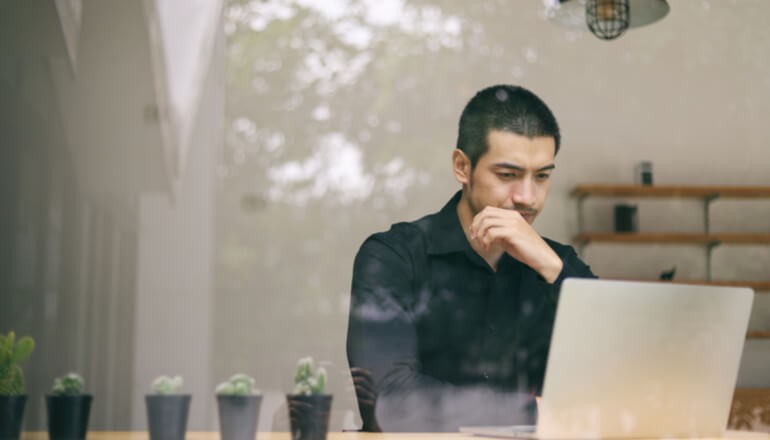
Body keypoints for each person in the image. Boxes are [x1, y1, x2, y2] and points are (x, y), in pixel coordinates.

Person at [346, 84, 596, 432]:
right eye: (508, 175)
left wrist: (555, 269)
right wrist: (536, 413)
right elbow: (390, 401)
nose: (527, 197)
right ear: (463, 167)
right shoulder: (394, 257)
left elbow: (617, 382)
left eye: (542, 176)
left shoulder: (557, 264)